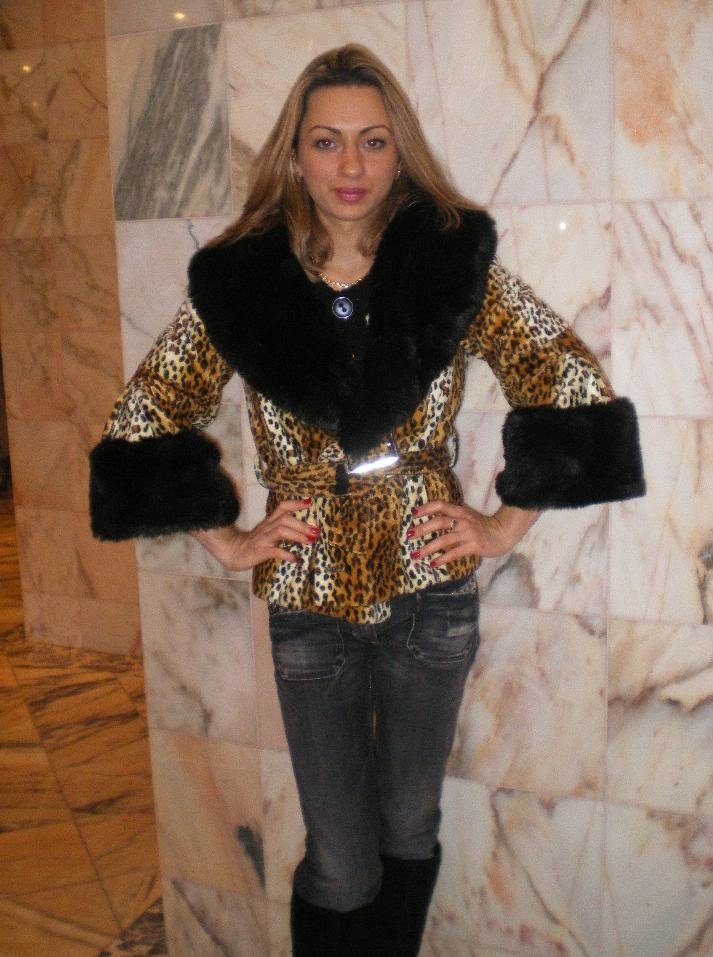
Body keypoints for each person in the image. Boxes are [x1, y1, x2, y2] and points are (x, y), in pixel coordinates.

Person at [89, 44, 645, 956]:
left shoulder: (447, 264)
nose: (350, 165)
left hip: (431, 590)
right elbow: (144, 413)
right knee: (343, 862)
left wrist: (503, 523)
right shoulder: (244, 281)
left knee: (409, 825)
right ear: (294, 154)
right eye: (326, 141)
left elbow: (566, 380)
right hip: (306, 597)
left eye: (373, 141)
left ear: (398, 152)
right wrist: (228, 539)